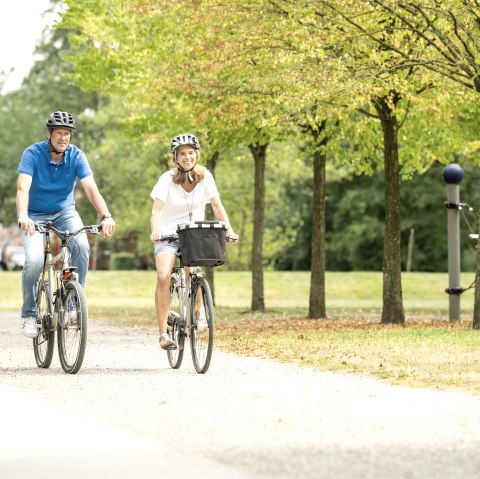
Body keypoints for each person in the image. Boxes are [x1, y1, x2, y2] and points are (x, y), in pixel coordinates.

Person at [16, 111, 116, 338]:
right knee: (33, 260)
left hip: (64, 211)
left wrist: (106, 215)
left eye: (67, 134)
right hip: (33, 214)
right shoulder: (32, 153)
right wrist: (23, 216)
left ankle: (73, 307)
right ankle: (29, 313)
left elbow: (91, 189)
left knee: (82, 246)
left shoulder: (76, 156)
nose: (63, 138)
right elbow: (22, 188)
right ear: (49, 134)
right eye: (59, 133)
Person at [150, 133, 238, 350]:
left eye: (190, 153)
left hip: (194, 235)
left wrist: (229, 229)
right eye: (182, 154)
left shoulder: (205, 177)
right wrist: (155, 231)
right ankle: (163, 333)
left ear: (196, 155)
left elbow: (217, 207)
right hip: (169, 235)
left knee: (194, 273)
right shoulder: (166, 179)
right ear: (175, 157)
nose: (187, 157)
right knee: (163, 276)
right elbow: (156, 211)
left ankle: (198, 313)